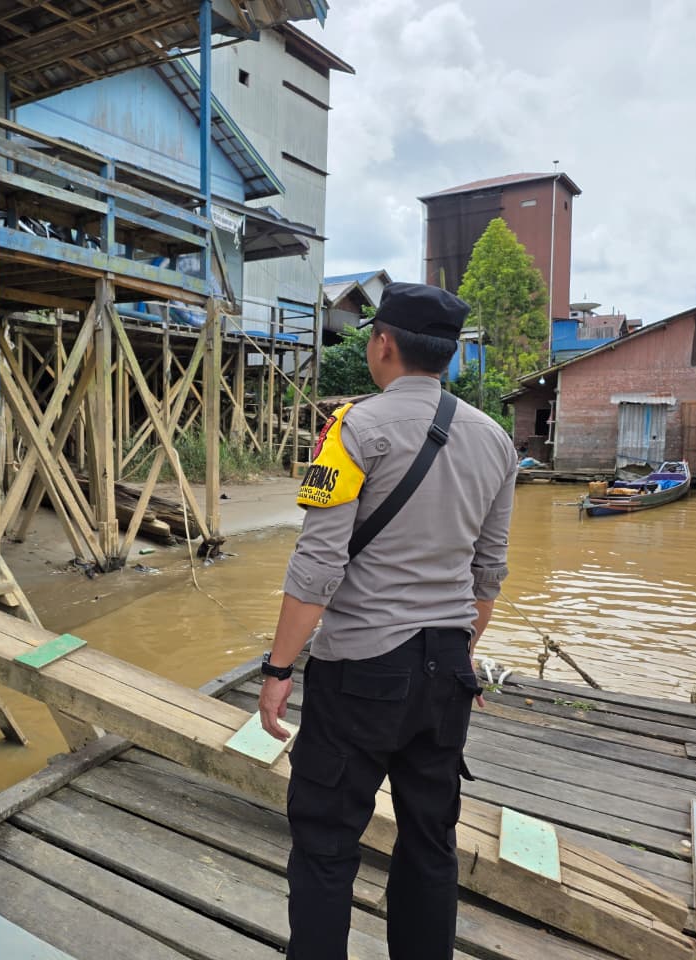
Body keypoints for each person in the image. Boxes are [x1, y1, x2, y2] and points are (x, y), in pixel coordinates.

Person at [258, 282, 517, 960]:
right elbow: (488, 577)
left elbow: (317, 567)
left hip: (361, 674)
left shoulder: (352, 429)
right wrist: (460, 655)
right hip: (447, 673)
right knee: (431, 844)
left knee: (325, 843)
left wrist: (278, 669)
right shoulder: (496, 440)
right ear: (451, 355)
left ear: (382, 344)